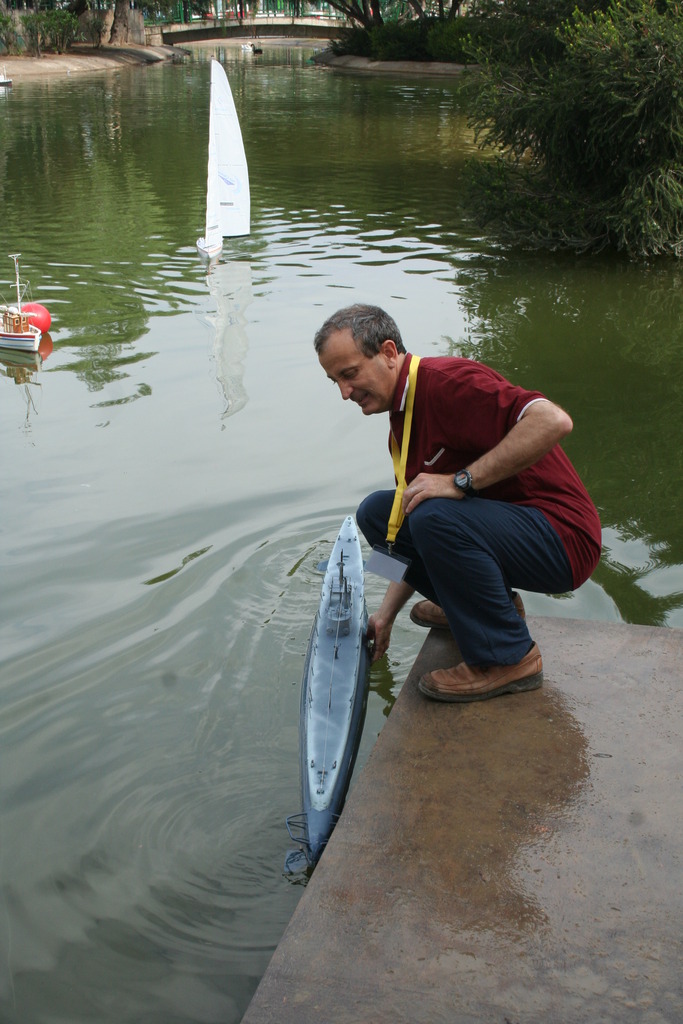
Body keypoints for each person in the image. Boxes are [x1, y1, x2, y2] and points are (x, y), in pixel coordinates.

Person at [314, 303, 601, 703]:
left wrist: (460, 481)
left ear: (389, 353)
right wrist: (385, 615)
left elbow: (553, 421)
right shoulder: (402, 423)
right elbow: (400, 530)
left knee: (433, 514)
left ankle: (507, 657)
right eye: (335, 382)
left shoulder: (451, 382)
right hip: (515, 533)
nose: (345, 393)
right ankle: (488, 606)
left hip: (564, 540)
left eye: (350, 374)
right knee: (377, 513)